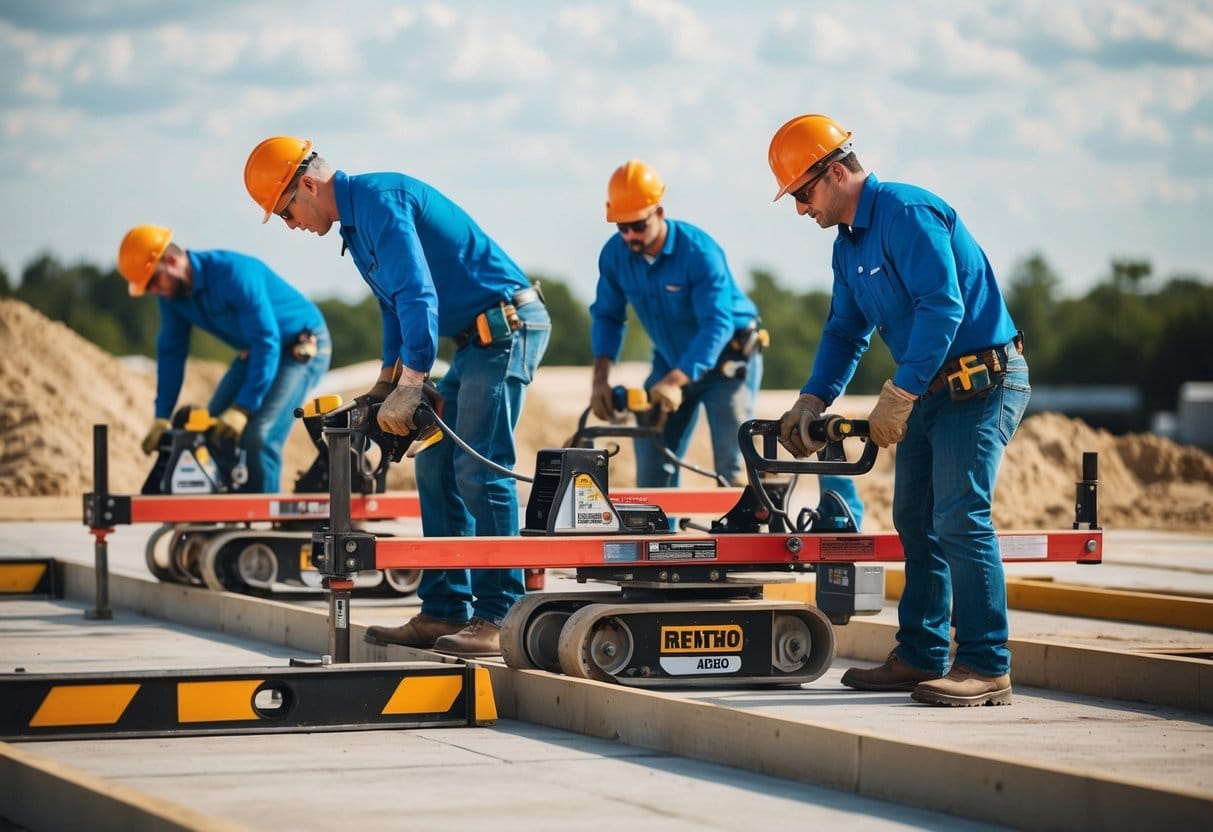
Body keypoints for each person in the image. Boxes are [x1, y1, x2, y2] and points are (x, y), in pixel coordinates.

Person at [243, 136, 551, 657]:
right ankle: (444, 609)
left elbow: (417, 294)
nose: (292, 225)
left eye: (286, 210)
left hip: (506, 330)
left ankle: (501, 615)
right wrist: (386, 384)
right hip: (475, 341)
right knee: (433, 468)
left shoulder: (380, 200)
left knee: (481, 469)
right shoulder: (357, 226)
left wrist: (412, 383)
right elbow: (393, 307)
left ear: (309, 185)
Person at [768, 114, 1029, 707]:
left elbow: (944, 307)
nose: (801, 209)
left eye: (803, 193)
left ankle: (987, 665)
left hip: (982, 383)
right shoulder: (848, 245)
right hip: (931, 391)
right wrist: (813, 397)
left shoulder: (907, 214)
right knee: (915, 517)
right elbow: (843, 331)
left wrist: (901, 392)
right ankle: (921, 654)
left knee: (960, 517)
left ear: (836, 173)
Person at [589, 160, 864, 527]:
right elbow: (608, 315)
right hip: (672, 361)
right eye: (622, 228)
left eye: (638, 225)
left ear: (659, 212)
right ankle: (656, 546)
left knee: (733, 461)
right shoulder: (615, 256)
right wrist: (600, 379)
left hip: (728, 362)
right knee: (654, 459)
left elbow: (716, 325)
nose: (630, 237)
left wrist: (676, 380)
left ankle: (743, 540)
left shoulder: (698, 253)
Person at [116, 225, 331, 494]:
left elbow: (267, 340)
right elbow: (171, 354)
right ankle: (232, 506)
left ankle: (261, 519)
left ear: (171, 261)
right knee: (212, 429)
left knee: (258, 437)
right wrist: (161, 417)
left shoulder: (232, 273)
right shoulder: (172, 297)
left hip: (303, 345)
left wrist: (243, 407)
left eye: (154, 282)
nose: (156, 291)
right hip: (258, 349)